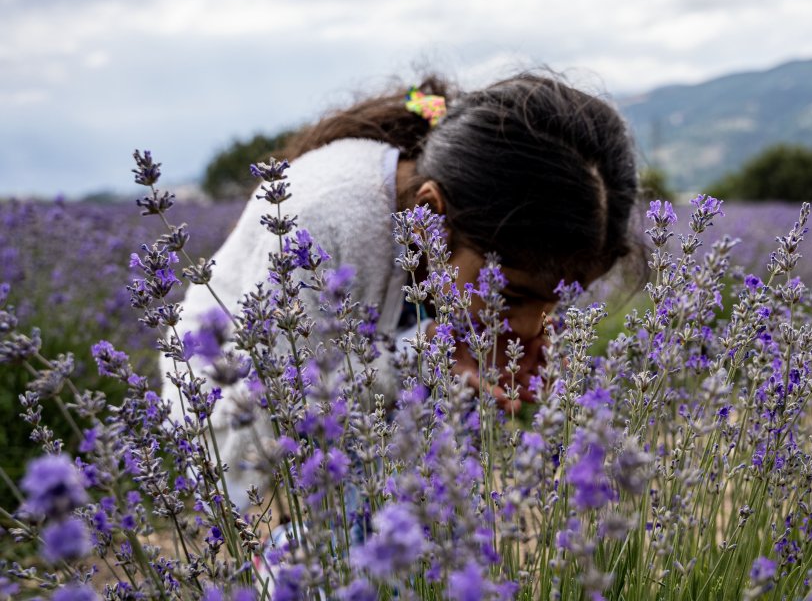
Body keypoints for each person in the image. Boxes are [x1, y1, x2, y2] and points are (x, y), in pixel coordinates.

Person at [162, 71, 640, 508]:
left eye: (557, 301)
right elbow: (288, 409)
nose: (533, 324)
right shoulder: (323, 219)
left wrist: (478, 359)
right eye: (513, 297)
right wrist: (419, 355)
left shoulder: (464, 235)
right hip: (227, 419)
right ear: (432, 218)